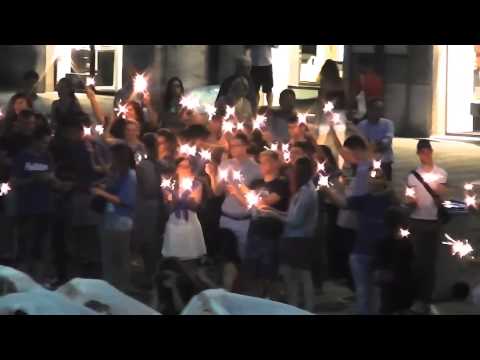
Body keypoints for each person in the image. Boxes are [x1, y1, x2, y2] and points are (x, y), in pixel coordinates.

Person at [321, 167, 398, 315]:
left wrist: (391, 190)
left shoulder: (389, 199)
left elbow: (401, 208)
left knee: (377, 293)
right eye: (371, 177)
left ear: (385, 181)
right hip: (360, 253)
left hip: (382, 255)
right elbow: (343, 204)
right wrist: (327, 191)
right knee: (363, 292)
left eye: (378, 177)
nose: (373, 180)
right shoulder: (363, 199)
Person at [265, 157, 318, 311]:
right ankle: (297, 308)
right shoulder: (302, 190)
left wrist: (273, 214)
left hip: (298, 239)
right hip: (296, 238)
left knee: (299, 276)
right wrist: (272, 211)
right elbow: (291, 216)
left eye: (294, 171)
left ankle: (304, 308)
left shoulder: (306, 192)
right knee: (296, 275)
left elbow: (295, 221)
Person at [236, 151, 290, 298]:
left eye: (265, 161)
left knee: (269, 268)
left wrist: (243, 192)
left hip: (271, 231)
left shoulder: (281, 184)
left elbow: (265, 203)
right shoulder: (256, 183)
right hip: (255, 228)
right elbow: (249, 205)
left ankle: (271, 298)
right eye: (261, 161)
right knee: (253, 267)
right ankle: (256, 297)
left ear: (275, 163)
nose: (262, 164)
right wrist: (237, 192)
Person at [404, 139, 448, 314]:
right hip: (416, 220)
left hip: (432, 222)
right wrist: (410, 201)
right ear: (418, 153)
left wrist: (438, 194)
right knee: (416, 262)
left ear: (431, 151)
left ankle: (425, 299)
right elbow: (409, 198)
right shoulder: (412, 175)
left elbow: (441, 198)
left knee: (428, 263)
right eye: (421, 151)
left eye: (427, 150)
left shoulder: (441, 173)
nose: (424, 154)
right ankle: (416, 297)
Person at [205, 133, 262, 261]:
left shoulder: (256, 169)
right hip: (226, 217)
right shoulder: (225, 165)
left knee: (243, 256)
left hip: (244, 220)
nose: (234, 149)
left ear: (246, 146)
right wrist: (212, 175)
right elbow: (217, 192)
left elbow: (255, 199)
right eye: (232, 146)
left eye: (237, 145)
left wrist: (237, 189)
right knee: (225, 256)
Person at [10, 126, 56, 281]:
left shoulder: (47, 157)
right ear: (35, 141)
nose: (45, 146)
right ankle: (21, 277)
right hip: (26, 206)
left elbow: (52, 176)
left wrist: (56, 182)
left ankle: (38, 277)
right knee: (25, 243)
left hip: (44, 206)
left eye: (47, 143)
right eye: (43, 143)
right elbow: (14, 181)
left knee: (40, 244)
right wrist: (32, 179)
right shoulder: (23, 157)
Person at [91, 143, 137, 292]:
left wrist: (101, 193)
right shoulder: (118, 175)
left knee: (119, 256)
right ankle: (110, 286)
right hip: (110, 219)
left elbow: (123, 200)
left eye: (114, 158)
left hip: (121, 221)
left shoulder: (130, 176)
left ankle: (121, 287)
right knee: (109, 256)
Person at [133, 133, 166, 288]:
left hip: (155, 208)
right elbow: (149, 190)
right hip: (148, 210)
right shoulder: (145, 166)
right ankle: (150, 276)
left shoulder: (155, 164)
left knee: (154, 243)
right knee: (149, 243)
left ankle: (153, 276)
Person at [162, 157, 207, 268]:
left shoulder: (196, 184)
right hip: (174, 220)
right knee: (174, 255)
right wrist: (175, 198)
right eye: (182, 166)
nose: (185, 169)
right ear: (176, 168)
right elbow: (167, 201)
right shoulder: (170, 184)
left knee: (190, 253)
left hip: (190, 220)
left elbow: (195, 205)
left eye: (188, 166)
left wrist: (185, 199)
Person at [357, 99, 394, 181]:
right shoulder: (361, 125)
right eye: (376, 109)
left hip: (385, 162)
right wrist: (377, 144)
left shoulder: (388, 124)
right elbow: (361, 144)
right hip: (367, 163)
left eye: (381, 109)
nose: (379, 112)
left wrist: (371, 145)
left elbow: (387, 142)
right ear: (369, 110)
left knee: (385, 188)